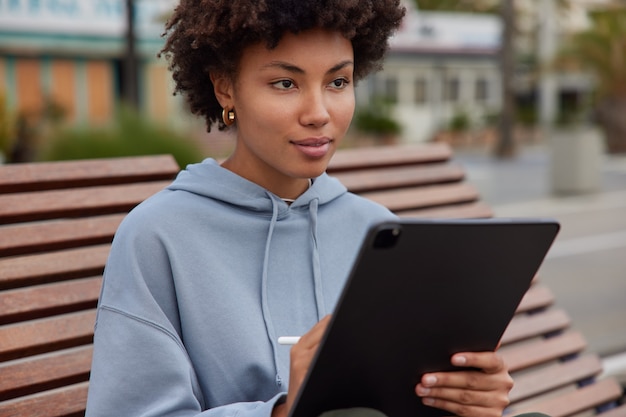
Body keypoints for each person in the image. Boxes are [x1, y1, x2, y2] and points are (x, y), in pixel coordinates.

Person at [85, 1, 514, 416]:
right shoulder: (158, 236)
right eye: (285, 83)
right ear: (225, 87)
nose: (318, 112)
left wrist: (467, 399)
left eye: (338, 82)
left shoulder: (378, 230)